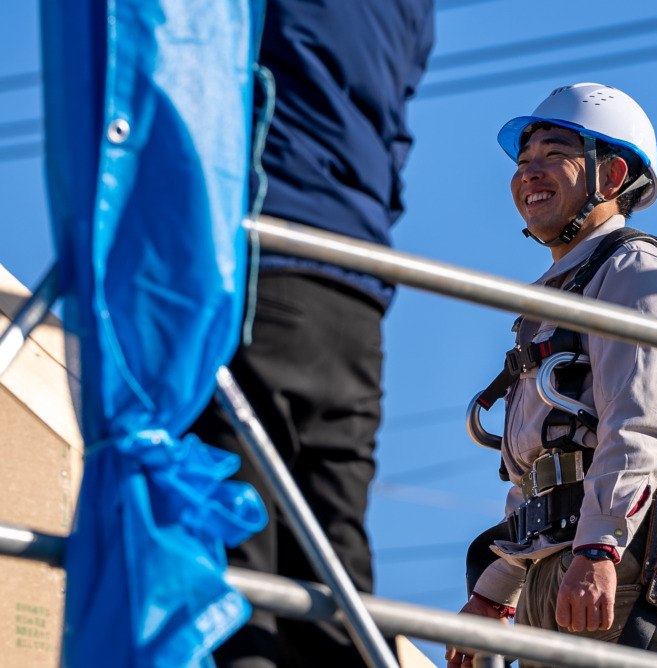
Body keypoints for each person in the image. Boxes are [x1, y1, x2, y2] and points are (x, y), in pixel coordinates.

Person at [189, 2, 434, 667]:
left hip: (271, 254)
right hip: (357, 282)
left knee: (238, 532)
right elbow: (392, 138)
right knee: (332, 559)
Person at [446, 83, 657, 667]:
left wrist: (600, 547)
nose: (528, 174)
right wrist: (495, 591)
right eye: (522, 161)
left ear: (612, 176)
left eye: (552, 155)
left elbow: (639, 427)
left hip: (615, 565)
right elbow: (542, 473)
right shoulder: (557, 297)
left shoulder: (636, 274)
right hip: (562, 567)